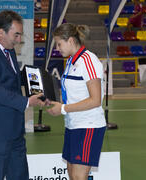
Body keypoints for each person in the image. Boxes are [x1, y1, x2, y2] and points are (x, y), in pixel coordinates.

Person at [0, 10, 45, 180]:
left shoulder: (8, 49)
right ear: (1, 32)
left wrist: (34, 81)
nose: (19, 39)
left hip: (15, 132)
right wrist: (26, 101)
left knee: (20, 176)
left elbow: (11, 79)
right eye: (17, 34)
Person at [46, 23, 106, 180]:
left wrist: (64, 108)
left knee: (79, 177)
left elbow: (95, 100)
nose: (57, 48)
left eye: (59, 44)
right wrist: (54, 103)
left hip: (88, 126)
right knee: (72, 174)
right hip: (73, 124)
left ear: (71, 41)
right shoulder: (72, 61)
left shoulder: (89, 61)